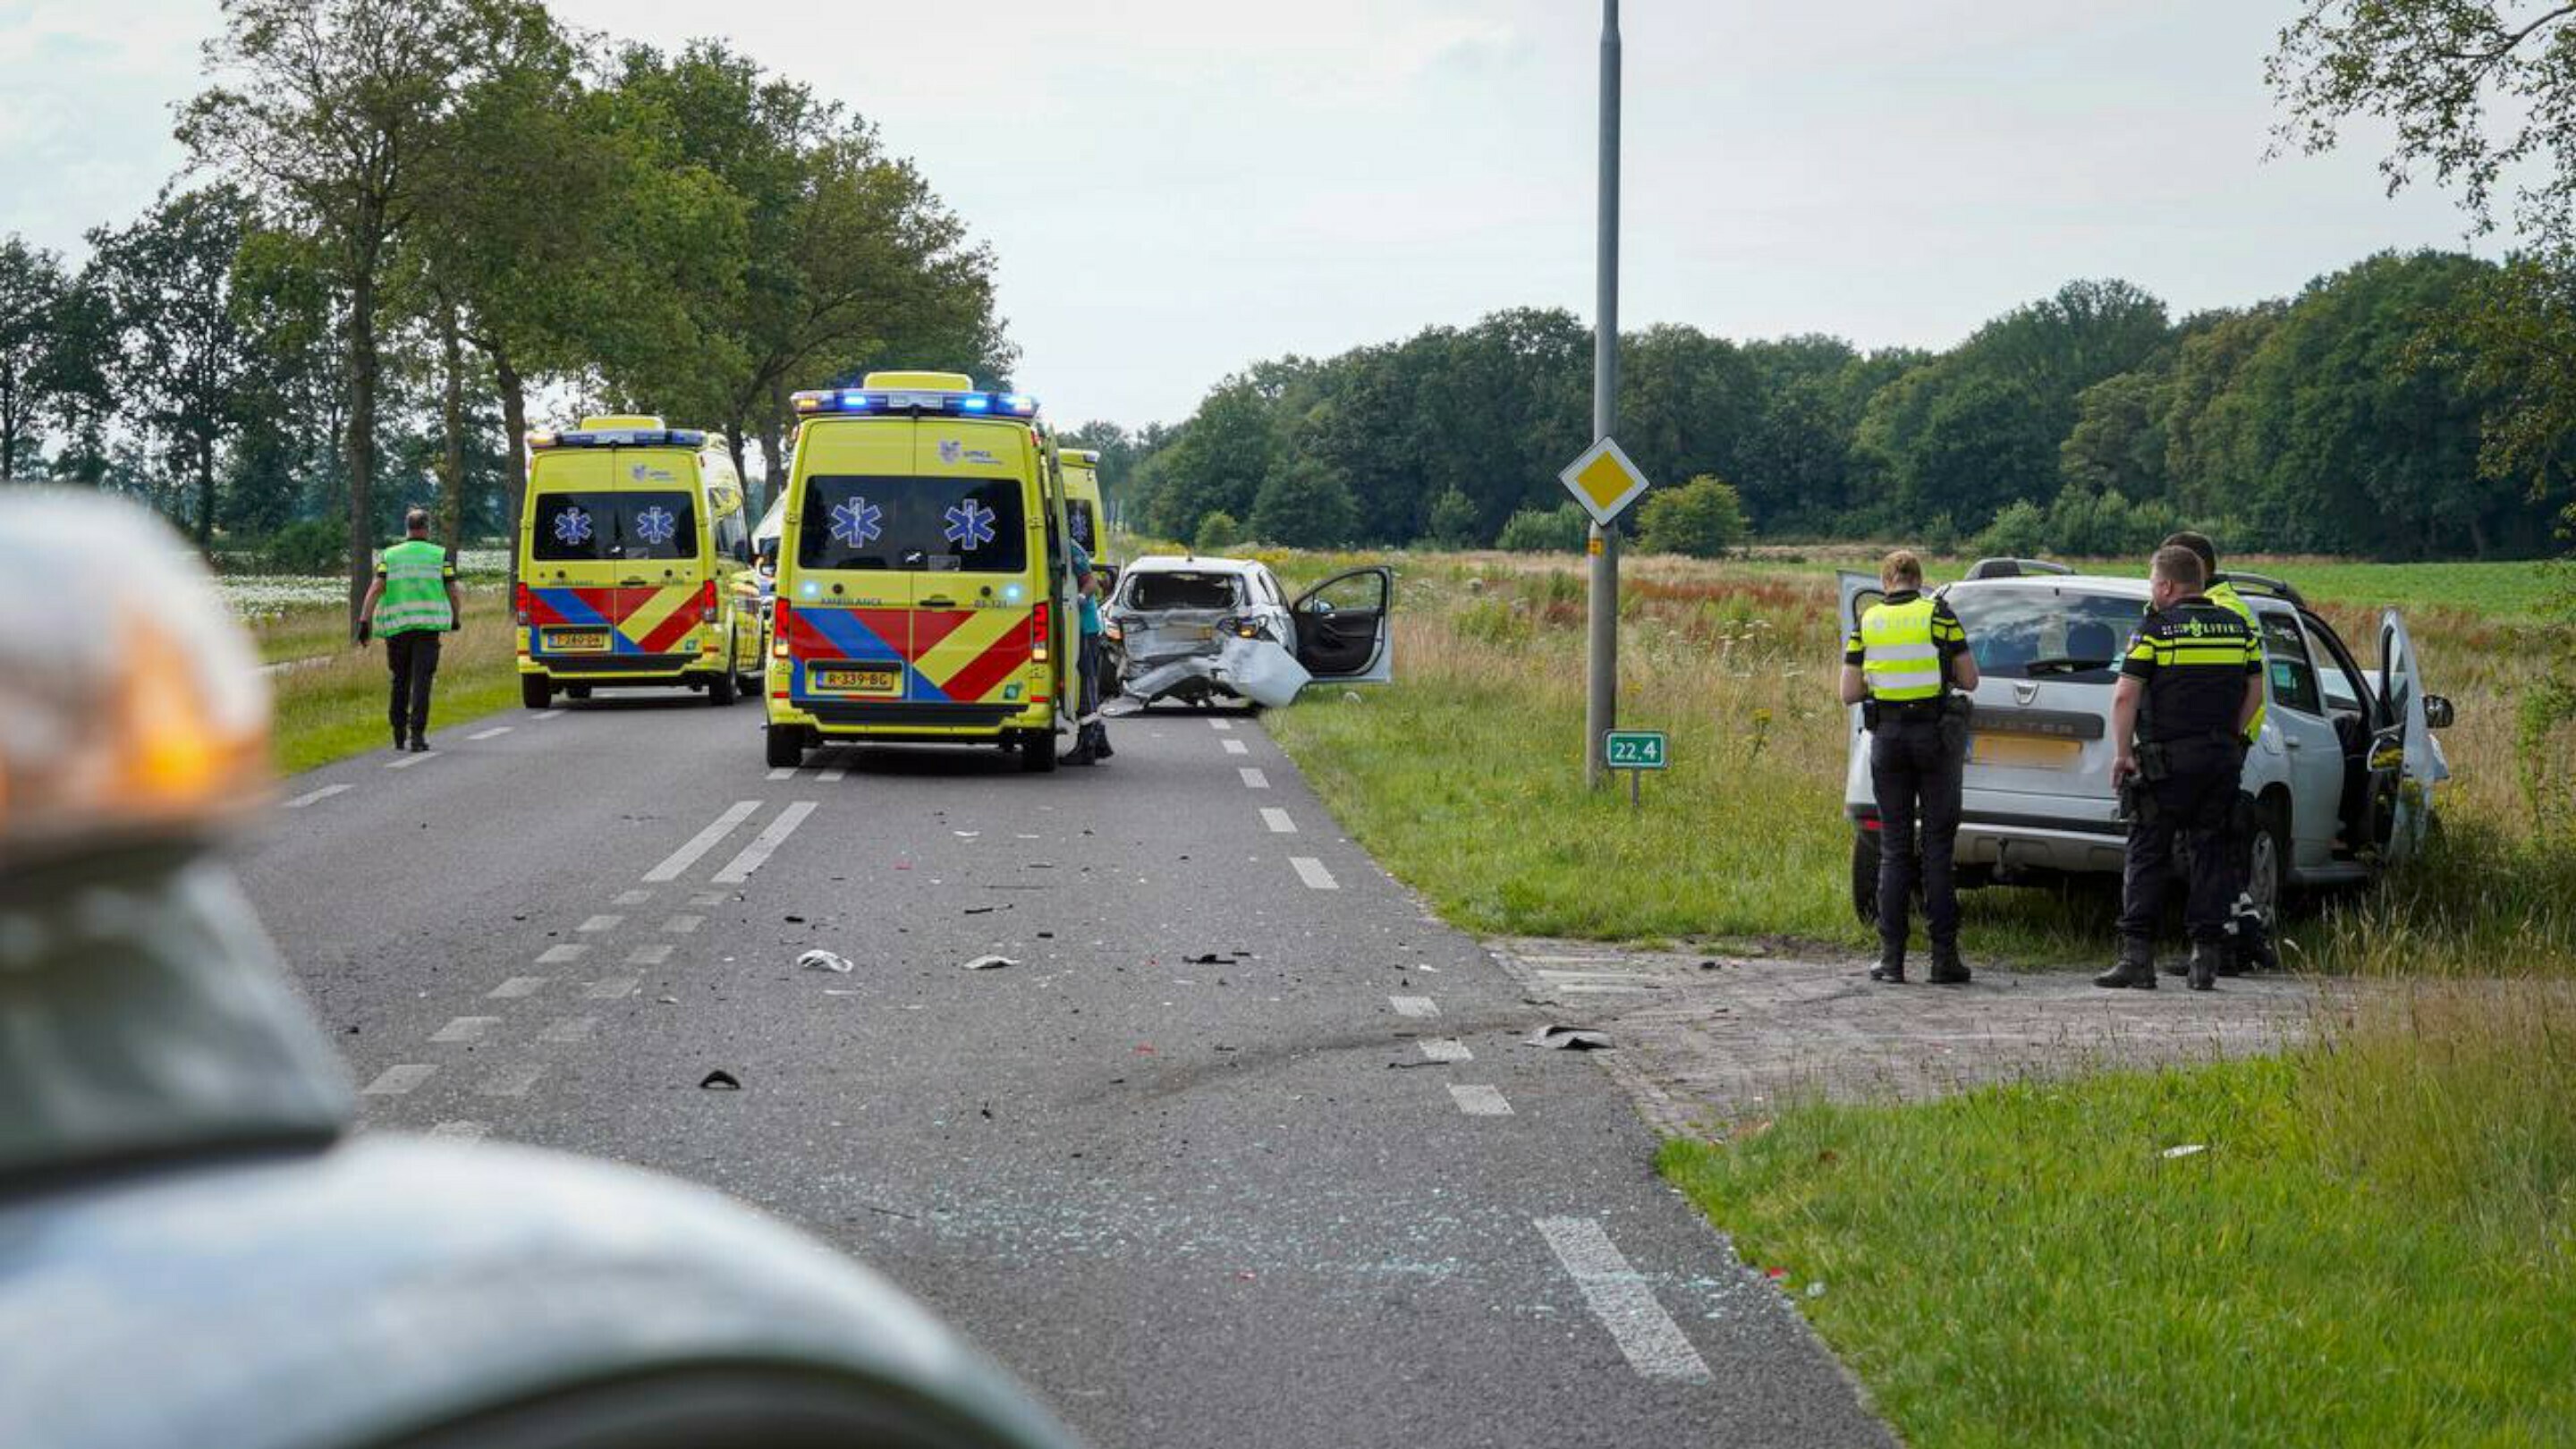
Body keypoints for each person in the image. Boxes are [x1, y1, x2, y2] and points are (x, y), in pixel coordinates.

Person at [2096, 545, 2264, 993]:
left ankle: (2138, 958)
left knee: (2148, 852)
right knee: (2210, 852)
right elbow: (2256, 689)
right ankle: (2204, 959)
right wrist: (2232, 734)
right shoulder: (2236, 627)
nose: (2152, 590)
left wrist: (2122, 753)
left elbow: (2125, 695)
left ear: (2167, 586)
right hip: (2220, 759)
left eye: (2153, 583)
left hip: (2165, 762)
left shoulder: (2156, 630)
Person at [1842, 549, 1980, 985]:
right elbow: (1970, 678)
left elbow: (1849, 691)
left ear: (1885, 582)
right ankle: (1944, 960)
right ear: (1920, 580)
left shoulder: (1868, 622)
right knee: (1937, 849)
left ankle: (1891, 958)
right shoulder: (1939, 615)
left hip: (1888, 741)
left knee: (1895, 850)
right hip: (1934, 739)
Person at [2158, 530, 2279, 977]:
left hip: (2218, 743)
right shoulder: (2231, 608)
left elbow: (2245, 684)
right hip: (2220, 742)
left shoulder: (2224, 612)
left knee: (2209, 847)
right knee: (2210, 847)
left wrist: (2230, 736)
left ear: (2196, 569)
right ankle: (2244, 935)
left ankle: (2229, 942)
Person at [356, 508, 462, 753]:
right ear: (427, 528)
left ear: (407, 528)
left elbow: (375, 589)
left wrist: (364, 622)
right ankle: (417, 735)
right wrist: (455, 618)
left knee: (400, 680)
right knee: (422, 681)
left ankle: (398, 733)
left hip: (397, 629)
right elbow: (453, 591)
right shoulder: (439, 555)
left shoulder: (390, 556)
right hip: (427, 629)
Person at [1060, 540, 1113, 767]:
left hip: (1083, 627)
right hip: (1070, 625)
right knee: (1081, 683)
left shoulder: (1069, 547)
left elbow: (1090, 582)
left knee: (1085, 683)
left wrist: (1079, 598)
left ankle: (1088, 744)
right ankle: (1095, 740)